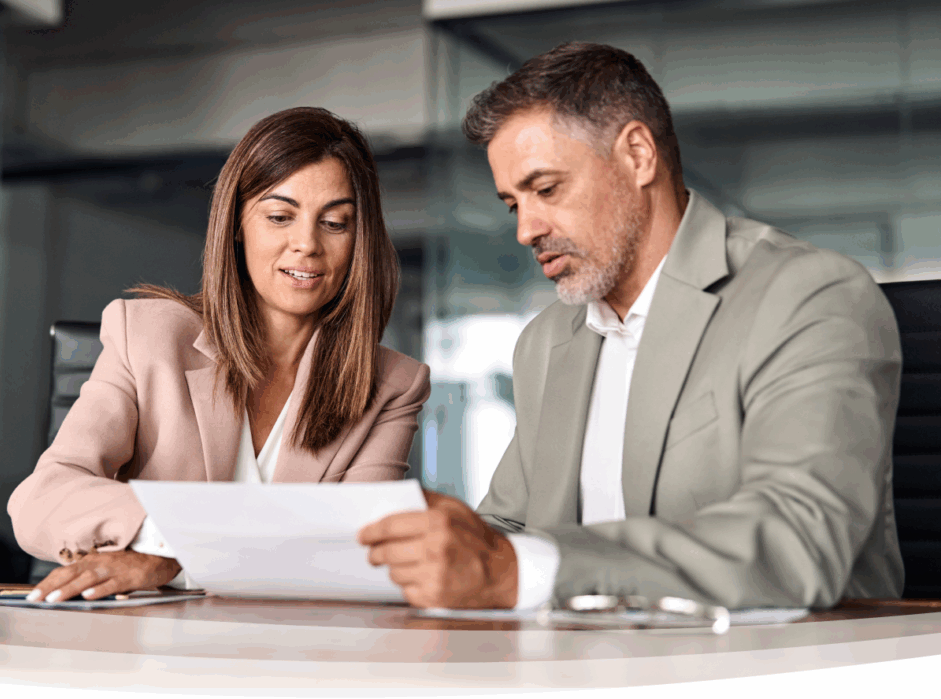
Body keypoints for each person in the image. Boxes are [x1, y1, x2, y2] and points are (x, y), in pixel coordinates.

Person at [358, 42, 904, 610]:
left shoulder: (807, 296)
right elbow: (508, 530)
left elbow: (798, 540)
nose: (526, 229)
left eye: (546, 189)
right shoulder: (547, 342)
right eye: (513, 204)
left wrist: (522, 569)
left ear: (638, 155)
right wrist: (442, 545)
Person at [9, 107, 431, 603]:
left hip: (299, 652)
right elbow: (42, 498)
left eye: (335, 223)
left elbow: (363, 556)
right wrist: (165, 544)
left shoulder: (394, 384)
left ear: (359, 239)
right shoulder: (145, 335)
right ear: (237, 225)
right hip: (148, 651)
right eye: (279, 217)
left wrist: (178, 556)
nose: (307, 245)